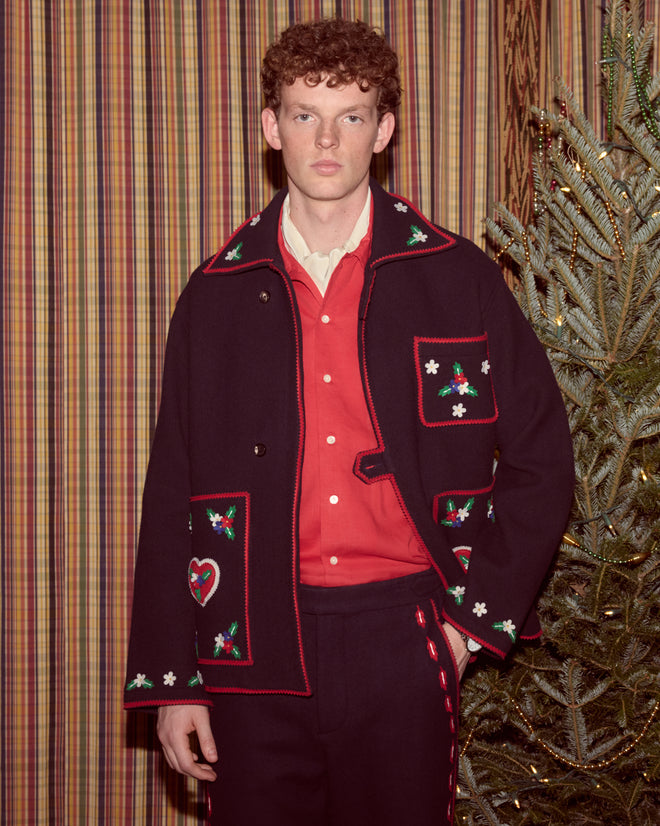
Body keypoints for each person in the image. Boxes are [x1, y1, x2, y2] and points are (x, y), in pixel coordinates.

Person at [125, 17, 574, 826]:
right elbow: (173, 494)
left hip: (404, 634)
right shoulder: (214, 295)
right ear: (271, 129)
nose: (326, 139)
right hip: (250, 640)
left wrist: (465, 629)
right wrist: (174, 678)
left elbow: (544, 457)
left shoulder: (457, 277)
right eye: (304, 114)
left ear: (384, 129)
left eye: (352, 116)